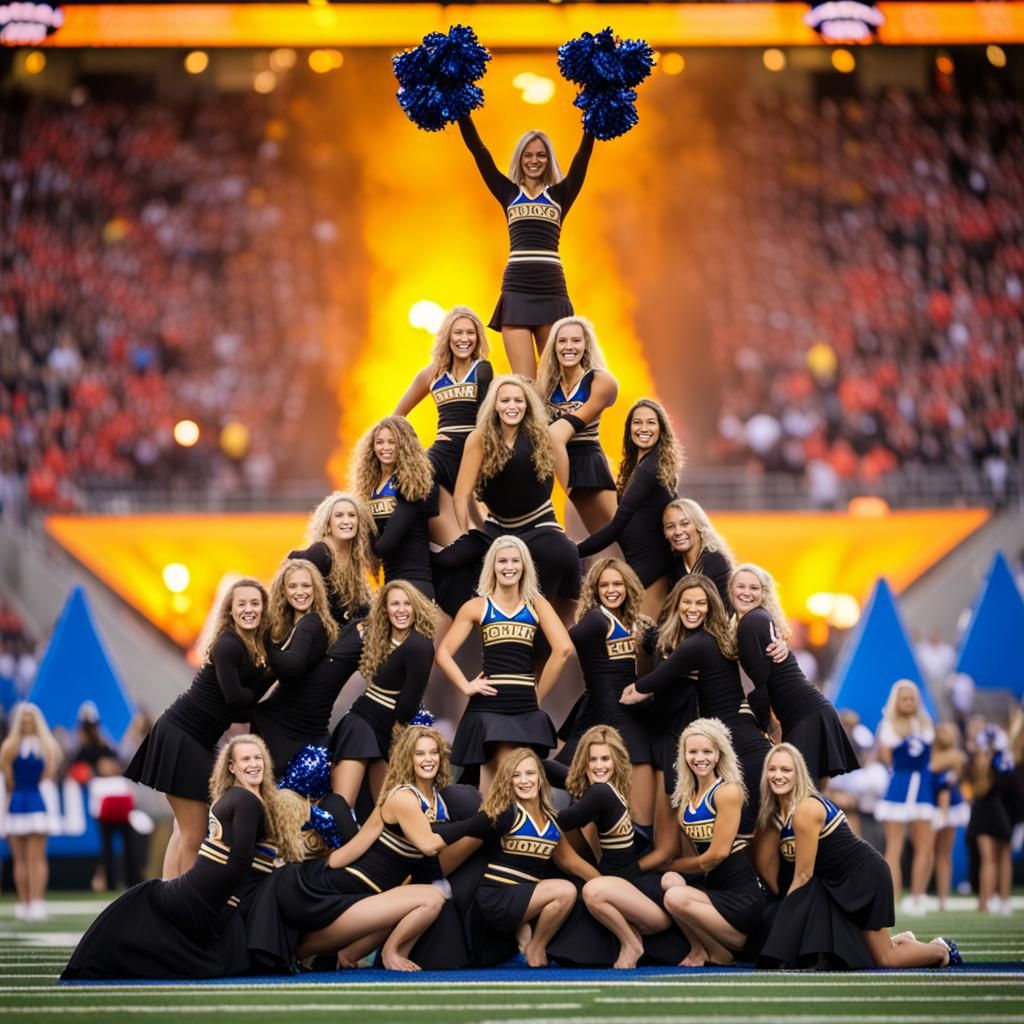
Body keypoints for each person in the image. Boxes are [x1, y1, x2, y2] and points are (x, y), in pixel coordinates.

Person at [63, 735, 306, 980]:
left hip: (198, 891)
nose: (254, 763)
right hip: (203, 896)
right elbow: (239, 863)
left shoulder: (236, 797)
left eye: (257, 758)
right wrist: (230, 906)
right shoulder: (245, 800)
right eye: (245, 759)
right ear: (231, 767)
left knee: (150, 919)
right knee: (204, 954)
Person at [247, 725, 487, 972]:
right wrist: (478, 823)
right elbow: (428, 844)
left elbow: (357, 845)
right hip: (351, 884)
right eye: (420, 754)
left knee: (425, 896)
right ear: (408, 758)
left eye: (433, 752)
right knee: (432, 898)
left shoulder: (438, 803)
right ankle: (390, 952)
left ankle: (348, 955)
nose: (428, 759)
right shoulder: (402, 797)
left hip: (373, 891)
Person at [756, 743, 959, 969]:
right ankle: (904, 941)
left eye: (786, 770)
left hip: (863, 877)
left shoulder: (805, 808)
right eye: (772, 769)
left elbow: (803, 876)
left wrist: (783, 924)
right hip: (836, 885)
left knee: (885, 959)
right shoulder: (776, 815)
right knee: (865, 952)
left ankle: (942, 951)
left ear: (799, 774)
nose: (778, 776)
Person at [125, 580, 274, 879]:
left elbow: (243, 702)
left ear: (264, 609)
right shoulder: (228, 644)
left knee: (183, 830)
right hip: (182, 736)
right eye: (241, 603)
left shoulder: (252, 647)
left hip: (193, 739)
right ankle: (187, 905)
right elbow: (236, 703)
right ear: (230, 610)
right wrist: (274, 675)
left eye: (255, 603)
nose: (248, 609)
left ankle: (168, 898)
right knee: (195, 832)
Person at [622, 575, 773, 846]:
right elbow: (658, 642)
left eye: (701, 603)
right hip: (736, 734)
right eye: (687, 602)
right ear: (676, 604)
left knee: (743, 837)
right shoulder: (707, 639)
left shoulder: (698, 644)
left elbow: (640, 690)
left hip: (741, 742)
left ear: (711, 607)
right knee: (740, 834)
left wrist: (611, 699)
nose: (694, 609)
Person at [457, 116, 594, 378]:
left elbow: (583, 156)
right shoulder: (508, 192)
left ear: (548, 159)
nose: (534, 160)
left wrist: (594, 114)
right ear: (520, 158)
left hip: (551, 287)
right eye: (528, 155)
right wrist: (461, 110)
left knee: (555, 380)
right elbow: (478, 150)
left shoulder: (560, 195)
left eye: (541, 155)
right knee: (526, 383)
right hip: (517, 289)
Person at [437, 537, 572, 788]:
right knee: (497, 785)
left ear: (524, 566)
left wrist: (537, 696)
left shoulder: (535, 603)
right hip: (489, 706)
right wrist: (466, 686)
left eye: (514, 561)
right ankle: (485, 824)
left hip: (523, 705)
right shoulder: (477, 606)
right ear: (492, 566)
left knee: (518, 782)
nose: (508, 567)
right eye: (502, 561)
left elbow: (563, 649)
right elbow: (443, 652)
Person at [546, 726, 679, 968]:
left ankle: (631, 944)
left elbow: (562, 821)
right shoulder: (607, 790)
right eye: (592, 759)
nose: (599, 765)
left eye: (605, 759)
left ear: (616, 761)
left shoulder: (602, 792)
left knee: (591, 891)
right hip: (625, 886)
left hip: (624, 890)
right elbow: (551, 770)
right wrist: (530, 765)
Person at [445, 374, 581, 604]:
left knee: (562, 554)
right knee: (457, 568)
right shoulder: (479, 438)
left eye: (518, 400)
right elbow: (460, 496)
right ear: (495, 405)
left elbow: (570, 488)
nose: (512, 406)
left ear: (527, 405)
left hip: (540, 525)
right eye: (505, 400)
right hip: (497, 528)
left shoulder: (543, 435)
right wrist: (464, 536)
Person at [730, 563, 859, 781]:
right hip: (810, 713)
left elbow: (760, 685)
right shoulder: (757, 620)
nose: (746, 593)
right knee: (803, 795)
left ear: (763, 594)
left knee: (798, 796)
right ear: (730, 589)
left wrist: (767, 728)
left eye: (754, 588)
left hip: (803, 716)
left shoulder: (751, 622)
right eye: (741, 586)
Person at [556, 557, 656, 831]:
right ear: (595, 590)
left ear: (628, 587)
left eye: (617, 583)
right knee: (588, 796)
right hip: (604, 713)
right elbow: (565, 641)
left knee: (639, 820)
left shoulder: (633, 623)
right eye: (604, 585)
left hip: (630, 715)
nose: (612, 590)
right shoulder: (597, 620)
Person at [473, 748, 598, 966]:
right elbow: (470, 841)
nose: (524, 780)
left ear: (540, 777)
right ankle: (535, 947)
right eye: (516, 775)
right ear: (507, 780)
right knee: (564, 891)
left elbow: (571, 862)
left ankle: (525, 934)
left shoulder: (550, 820)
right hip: (496, 898)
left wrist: (604, 884)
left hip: (524, 898)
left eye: (530, 773)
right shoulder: (505, 812)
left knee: (571, 889)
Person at [659, 718, 765, 966]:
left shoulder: (728, 791)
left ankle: (737, 945)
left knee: (674, 895)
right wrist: (670, 869)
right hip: (714, 888)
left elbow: (716, 855)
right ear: (684, 755)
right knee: (669, 883)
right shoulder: (686, 797)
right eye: (693, 751)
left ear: (719, 754)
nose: (700, 758)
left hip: (741, 894)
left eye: (707, 751)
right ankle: (710, 951)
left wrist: (673, 865)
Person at [330, 582, 438, 807]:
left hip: (385, 729)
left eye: (407, 604)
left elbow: (408, 706)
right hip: (361, 725)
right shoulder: (379, 637)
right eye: (395, 604)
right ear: (385, 609)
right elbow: (335, 652)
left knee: (383, 808)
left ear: (416, 607)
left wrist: (398, 741)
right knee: (344, 804)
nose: (401, 610)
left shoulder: (419, 645)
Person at [394, 306, 494, 546]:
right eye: (457, 333)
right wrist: (412, 451)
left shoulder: (482, 370)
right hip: (442, 453)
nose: (464, 339)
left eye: (470, 333)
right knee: (412, 485)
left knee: (481, 525)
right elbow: (397, 416)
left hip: (474, 452)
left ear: (478, 337)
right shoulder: (432, 374)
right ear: (447, 337)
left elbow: (489, 419)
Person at [577, 399, 684, 616]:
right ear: (629, 429)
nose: (644, 429)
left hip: (651, 571)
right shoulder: (645, 466)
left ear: (661, 429)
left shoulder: (648, 470)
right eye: (638, 423)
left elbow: (617, 525)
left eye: (651, 423)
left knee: (643, 643)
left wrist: (575, 550)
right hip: (642, 567)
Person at [251, 559, 342, 773]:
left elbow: (293, 667)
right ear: (283, 591)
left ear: (316, 589)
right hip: (284, 726)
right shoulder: (296, 625)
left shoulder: (310, 624)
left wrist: (262, 639)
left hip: (289, 731)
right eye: (292, 586)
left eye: (306, 586)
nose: (300, 592)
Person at [535, 315, 618, 532]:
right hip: (559, 466)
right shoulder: (546, 388)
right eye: (562, 341)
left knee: (616, 535)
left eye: (576, 340)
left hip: (589, 463)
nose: (569, 347)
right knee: (586, 542)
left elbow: (556, 434)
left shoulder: (601, 380)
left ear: (586, 345)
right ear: (554, 347)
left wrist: (570, 490)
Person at [352, 416, 438, 600]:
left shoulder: (410, 482)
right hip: (391, 582)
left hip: (415, 583)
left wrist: (358, 546)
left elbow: (386, 544)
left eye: (392, 442)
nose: (385, 448)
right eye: (380, 442)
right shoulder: (371, 487)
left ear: (404, 445)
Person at [875, 679, 936, 916]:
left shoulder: (925, 725)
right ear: (896, 701)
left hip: (922, 789)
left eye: (912, 698)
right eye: (904, 698)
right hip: (899, 788)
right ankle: (893, 898)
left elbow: (929, 760)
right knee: (894, 847)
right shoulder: (888, 726)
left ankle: (918, 896)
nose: (909, 702)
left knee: (925, 847)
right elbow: (888, 759)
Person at [0, 703, 61, 921]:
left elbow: (12, 781)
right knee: (24, 858)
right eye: (23, 719)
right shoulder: (34, 747)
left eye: (29, 718)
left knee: (33, 858)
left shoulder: (38, 747)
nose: (26, 722)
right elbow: (10, 781)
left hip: (27, 802)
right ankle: (27, 902)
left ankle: (34, 902)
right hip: (24, 803)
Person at [288, 492, 376, 626]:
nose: (346, 521)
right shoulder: (321, 553)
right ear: (328, 523)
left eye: (352, 515)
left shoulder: (356, 556)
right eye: (339, 515)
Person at [662, 498, 735, 610]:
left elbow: (724, 612)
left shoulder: (715, 561)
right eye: (670, 527)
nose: (677, 532)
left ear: (698, 525)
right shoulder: (674, 565)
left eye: (685, 524)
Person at [930, 721, 970, 911]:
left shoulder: (956, 756)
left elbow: (957, 764)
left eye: (952, 732)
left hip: (950, 806)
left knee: (943, 854)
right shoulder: (932, 755)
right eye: (945, 731)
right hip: (930, 806)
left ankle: (942, 899)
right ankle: (919, 894)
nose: (948, 735)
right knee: (927, 852)